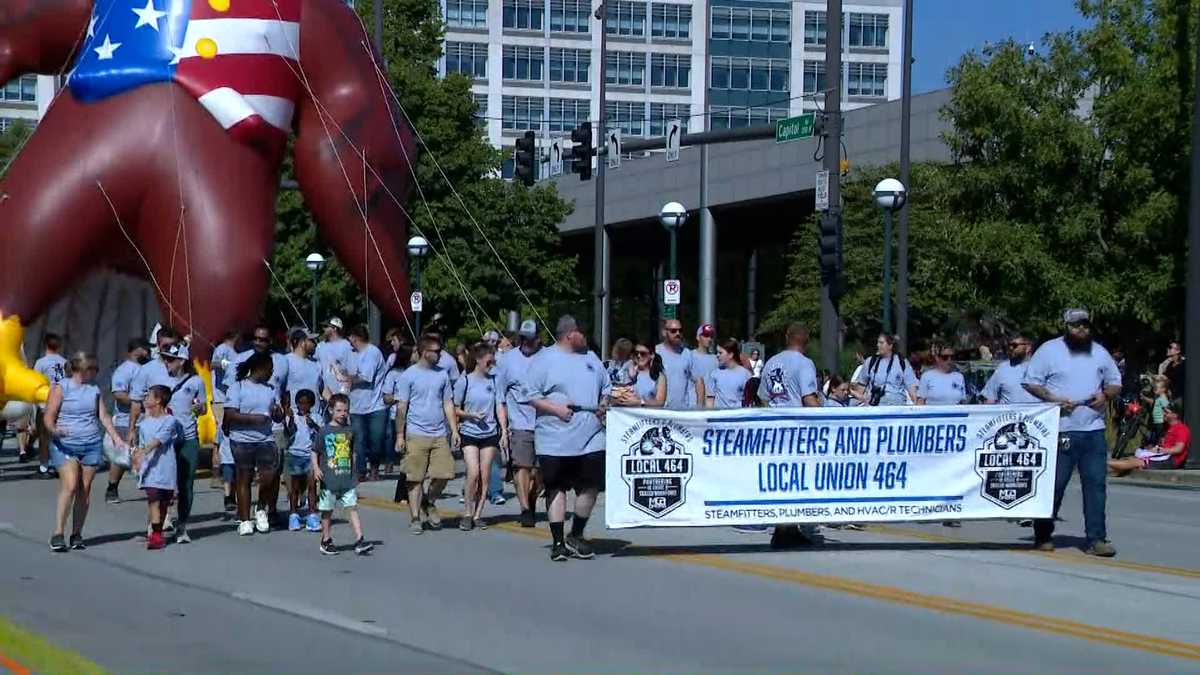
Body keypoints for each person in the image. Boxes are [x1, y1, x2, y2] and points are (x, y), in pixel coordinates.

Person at [1023, 308, 1122, 557]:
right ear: (1066, 326)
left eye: (1086, 325)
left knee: (1096, 485)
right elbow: (1030, 382)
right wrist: (1053, 398)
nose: (1082, 330)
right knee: (1055, 485)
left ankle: (1097, 539)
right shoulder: (1049, 350)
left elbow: (1115, 382)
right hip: (1060, 429)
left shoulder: (1099, 352)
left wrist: (1105, 395)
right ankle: (1043, 533)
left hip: (1093, 430)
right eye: (1076, 325)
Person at [525, 315, 610, 562]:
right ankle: (558, 542)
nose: (587, 336)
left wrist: (603, 403)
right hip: (555, 436)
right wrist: (556, 409)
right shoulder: (544, 360)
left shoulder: (591, 358)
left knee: (591, 487)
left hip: (591, 434)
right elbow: (530, 395)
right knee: (557, 487)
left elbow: (606, 387)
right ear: (570, 334)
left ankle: (577, 534)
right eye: (583, 332)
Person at [42, 352, 125, 552]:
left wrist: (115, 437)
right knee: (70, 486)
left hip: (91, 444)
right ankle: (58, 533)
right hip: (65, 444)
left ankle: (77, 533)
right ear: (82, 369)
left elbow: (103, 416)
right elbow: (48, 416)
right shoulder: (62, 388)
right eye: (93, 368)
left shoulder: (94, 389)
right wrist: (55, 430)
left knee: (84, 489)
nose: (95, 372)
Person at [756, 323, 822, 545]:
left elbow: (763, 397)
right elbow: (808, 399)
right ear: (807, 341)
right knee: (796, 479)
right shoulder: (804, 364)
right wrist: (830, 419)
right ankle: (786, 530)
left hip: (774, 429)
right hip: (796, 431)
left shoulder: (772, 362)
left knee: (781, 479)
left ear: (787, 337)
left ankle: (785, 528)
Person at [395, 334, 460, 534]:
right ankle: (415, 517)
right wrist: (400, 435)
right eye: (437, 351)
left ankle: (428, 501)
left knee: (445, 474)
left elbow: (448, 403)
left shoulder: (442, 375)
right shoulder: (409, 375)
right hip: (416, 433)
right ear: (425, 352)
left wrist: (454, 430)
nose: (441, 354)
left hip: (439, 432)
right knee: (415, 478)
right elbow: (402, 407)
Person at [225, 351, 287, 536]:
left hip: (265, 439)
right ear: (259, 368)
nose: (271, 373)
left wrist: (277, 412)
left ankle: (261, 509)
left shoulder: (270, 389)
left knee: (269, 475)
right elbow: (230, 414)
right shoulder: (237, 388)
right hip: (241, 440)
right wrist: (254, 419)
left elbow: (276, 414)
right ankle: (245, 520)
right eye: (269, 369)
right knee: (244, 478)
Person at [155, 342, 207, 544]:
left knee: (186, 484)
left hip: (187, 437)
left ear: (182, 361)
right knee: (162, 482)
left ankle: (182, 526)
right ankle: (158, 521)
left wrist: (200, 407)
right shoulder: (158, 379)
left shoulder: (196, 382)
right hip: (164, 439)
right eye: (164, 358)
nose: (166, 362)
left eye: (170, 359)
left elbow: (202, 410)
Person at [454, 343, 508, 531]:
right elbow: (454, 408)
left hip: (489, 433)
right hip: (469, 431)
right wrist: (469, 415)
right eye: (489, 360)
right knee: (473, 473)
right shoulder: (465, 381)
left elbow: (500, 405)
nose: (492, 363)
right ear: (478, 360)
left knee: (485, 475)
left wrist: (504, 430)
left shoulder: (495, 381)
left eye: (493, 360)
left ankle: (478, 514)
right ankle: (467, 512)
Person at [311, 393, 373, 555]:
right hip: (329, 479)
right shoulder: (324, 431)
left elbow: (352, 453)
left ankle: (360, 539)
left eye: (345, 410)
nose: (342, 414)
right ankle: (326, 539)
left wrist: (356, 471)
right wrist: (316, 469)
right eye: (338, 410)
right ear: (331, 410)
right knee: (327, 511)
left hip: (346, 478)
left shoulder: (349, 431)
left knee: (352, 508)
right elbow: (314, 451)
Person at [495, 320, 543, 528]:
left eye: (530, 339)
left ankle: (532, 497)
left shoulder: (549, 357)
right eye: (522, 338)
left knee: (541, 472)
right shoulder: (507, 360)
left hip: (546, 423)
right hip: (519, 422)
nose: (525, 342)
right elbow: (500, 397)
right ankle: (525, 509)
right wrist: (504, 429)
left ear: (538, 339)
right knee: (521, 467)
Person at [132, 385, 179, 551]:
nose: (145, 399)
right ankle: (155, 536)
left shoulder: (170, 421)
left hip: (166, 467)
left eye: (148, 396)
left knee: (164, 502)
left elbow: (160, 439)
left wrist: (144, 451)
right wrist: (136, 458)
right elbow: (141, 444)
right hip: (149, 469)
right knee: (153, 498)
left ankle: (157, 529)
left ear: (158, 400)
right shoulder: (143, 423)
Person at [104, 338, 150, 504]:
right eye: (145, 349)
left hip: (147, 421)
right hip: (126, 420)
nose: (148, 352)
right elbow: (118, 394)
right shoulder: (124, 370)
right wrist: (138, 403)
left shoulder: (146, 368)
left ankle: (153, 488)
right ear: (136, 349)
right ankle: (112, 487)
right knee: (122, 457)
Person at [343, 325, 388, 482]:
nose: (349, 341)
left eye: (350, 338)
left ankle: (374, 467)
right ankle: (360, 471)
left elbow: (365, 377)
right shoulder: (351, 354)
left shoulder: (372, 352)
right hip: (356, 406)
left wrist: (348, 378)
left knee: (376, 440)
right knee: (359, 440)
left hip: (375, 405)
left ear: (355, 337)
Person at [1108, 398, 1190, 473]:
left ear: (1175, 415)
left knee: (1134, 462)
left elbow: (1178, 449)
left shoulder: (1181, 429)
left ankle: (1102, 464)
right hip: (1162, 456)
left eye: (1166, 412)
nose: (1163, 414)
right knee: (1130, 459)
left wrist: (1160, 450)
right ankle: (1104, 466)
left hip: (1170, 460)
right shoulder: (1168, 427)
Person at [284, 389, 323, 532]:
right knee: (294, 487)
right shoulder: (292, 416)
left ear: (311, 404)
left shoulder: (316, 417)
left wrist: (312, 424)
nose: (303, 406)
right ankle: (293, 515)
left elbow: (322, 433)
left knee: (312, 486)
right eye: (300, 403)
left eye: (306, 403)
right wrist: (291, 419)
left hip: (310, 455)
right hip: (295, 454)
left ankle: (312, 514)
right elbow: (288, 433)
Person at [34, 333, 69, 478]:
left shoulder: (41, 362)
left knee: (44, 435)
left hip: (45, 403)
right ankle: (58, 464)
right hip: (61, 402)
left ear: (45, 345)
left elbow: (35, 383)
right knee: (58, 435)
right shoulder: (65, 361)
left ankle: (44, 466)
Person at [210, 330, 240, 488]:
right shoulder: (222, 348)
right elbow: (213, 363)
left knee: (224, 438)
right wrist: (224, 363)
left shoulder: (234, 351)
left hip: (229, 398)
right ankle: (216, 474)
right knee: (220, 439)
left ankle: (227, 473)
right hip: (221, 399)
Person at [853, 334, 918, 406]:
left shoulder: (902, 362)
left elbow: (911, 387)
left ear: (890, 345)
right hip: (875, 407)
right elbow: (861, 387)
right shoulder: (870, 362)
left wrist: (916, 406)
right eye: (878, 343)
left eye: (881, 343)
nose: (878, 345)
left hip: (897, 408)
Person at [382, 341, 414, 478]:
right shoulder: (393, 374)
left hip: (414, 416)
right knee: (393, 440)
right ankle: (390, 461)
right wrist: (401, 397)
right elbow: (386, 398)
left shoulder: (416, 373)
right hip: (397, 414)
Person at [980, 336, 1040, 405]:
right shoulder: (1002, 368)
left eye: (1015, 345)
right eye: (1009, 345)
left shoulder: (1040, 367)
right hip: (1007, 415)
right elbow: (990, 398)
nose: (1011, 348)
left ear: (1028, 347)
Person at [655, 319, 699, 410]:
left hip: (682, 413)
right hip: (660, 411)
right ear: (664, 332)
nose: (678, 334)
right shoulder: (656, 352)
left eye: (680, 330)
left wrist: (700, 408)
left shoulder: (687, 354)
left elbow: (699, 381)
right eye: (673, 331)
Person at [615, 342, 666, 408]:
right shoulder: (626, 371)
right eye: (636, 354)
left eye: (643, 354)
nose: (639, 356)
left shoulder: (659, 376)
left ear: (651, 355)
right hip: (624, 415)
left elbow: (660, 402)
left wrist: (639, 402)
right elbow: (615, 392)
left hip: (645, 417)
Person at [705, 339, 751, 409]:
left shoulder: (745, 375)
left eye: (720, 353)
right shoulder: (714, 374)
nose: (717, 355)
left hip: (737, 416)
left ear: (730, 355)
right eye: (717, 352)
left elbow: (749, 401)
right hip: (719, 417)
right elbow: (710, 399)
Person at [316, 317, 353, 398]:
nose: (323, 329)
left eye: (326, 327)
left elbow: (351, 371)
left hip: (343, 394)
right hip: (325, 395)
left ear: (334, 328)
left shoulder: (347, 346)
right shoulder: (320, 346)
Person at [690, 324, 718, 408]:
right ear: (698, 337)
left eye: (711, 336)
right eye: (706, 335)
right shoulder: (689, 356)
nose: (709, 339)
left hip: (712, 405)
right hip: (693, 403)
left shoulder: (716, 359)